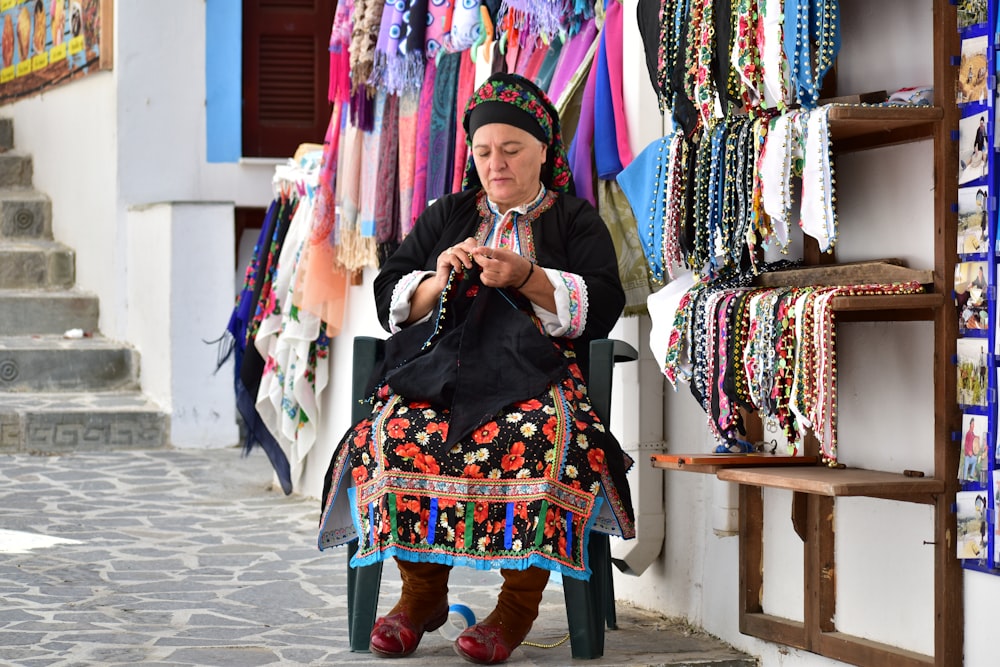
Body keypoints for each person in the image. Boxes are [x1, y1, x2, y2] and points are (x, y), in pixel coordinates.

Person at [318, 72, 634, 665]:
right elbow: (391, 292)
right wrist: (440, 277)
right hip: (440, 375)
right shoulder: (448, 214)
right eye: (484, 152)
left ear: (543, 149)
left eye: (512, 150)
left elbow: (605, 304)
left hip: (540, 380)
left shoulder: (574, 220)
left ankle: (514, 610)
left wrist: (527, 278)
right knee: (391, 436)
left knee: (541, 441)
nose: (497, 163)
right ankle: (421, 597)